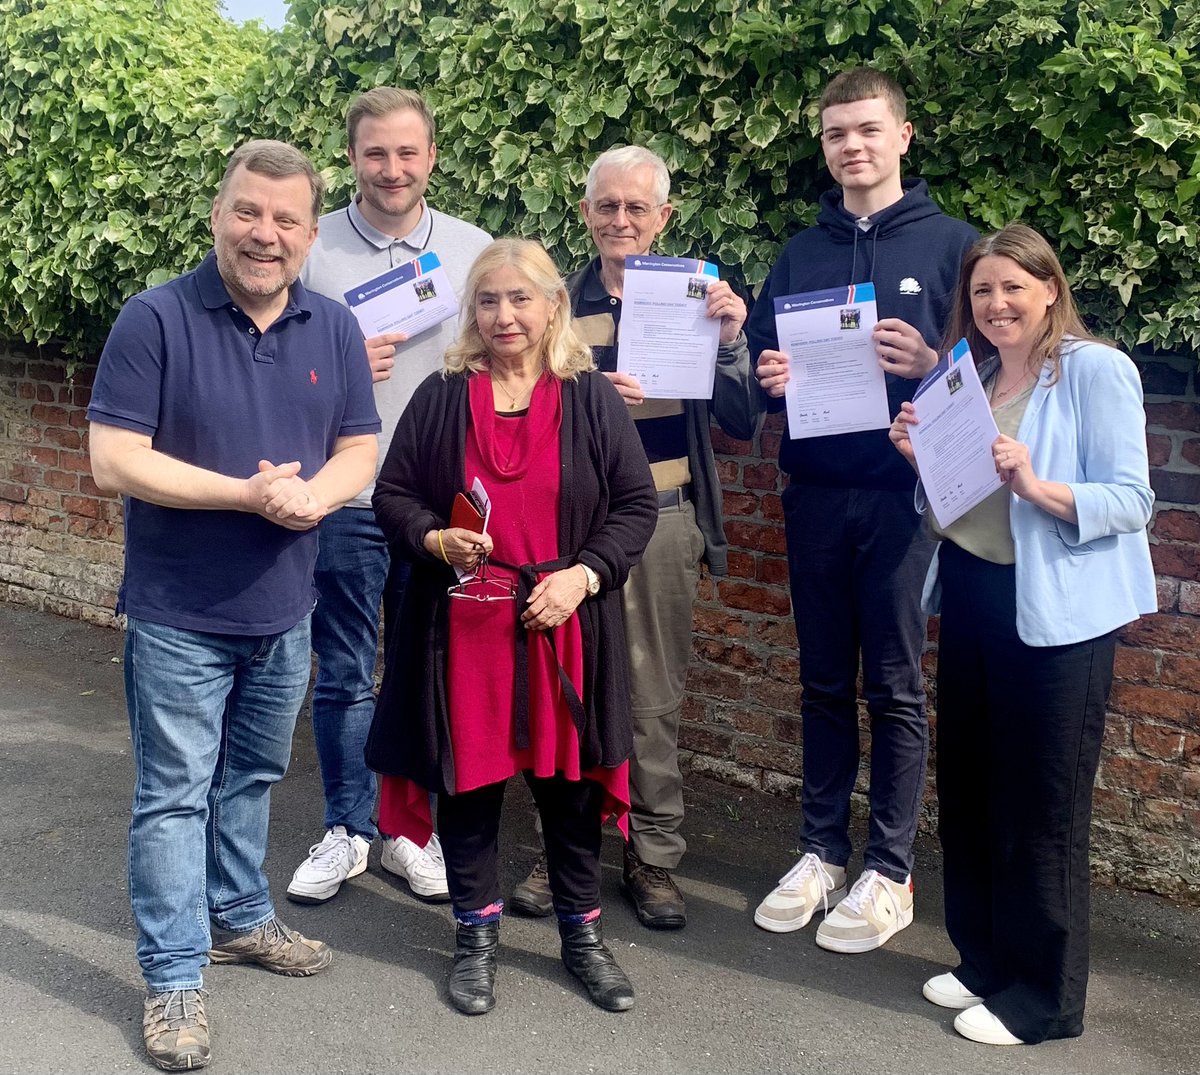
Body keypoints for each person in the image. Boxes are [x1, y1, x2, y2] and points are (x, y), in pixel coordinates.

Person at [86, 140, 380, 1071]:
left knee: (251, 779)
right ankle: (174, 978)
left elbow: (359, 447)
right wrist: (245, 494)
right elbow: (114, 458)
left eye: (287, 219)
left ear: (308, 232)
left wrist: (315, 496)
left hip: (285, 609)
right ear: (218, 214)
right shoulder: (156, 317)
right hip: (179, 612)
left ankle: (242, 917)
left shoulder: (332, 327)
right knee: (173, 796)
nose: (267, 234)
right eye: (249, 213)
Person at [363, 238, 657, 1016]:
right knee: (471, 787)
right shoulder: (439, 396)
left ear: (553, 306)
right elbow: (392, 495)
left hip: (564, 622)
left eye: (520, 299)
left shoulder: (590, 398)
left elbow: (635, 507)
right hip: (464, 634)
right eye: (488, 300)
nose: (504, 315)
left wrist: (582, 574)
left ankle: (583, 935)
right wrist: (434, 538)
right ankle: (476, 934)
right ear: (473, 311)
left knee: (568, 792)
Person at [889, 223, 1156, 1045]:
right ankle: (984, 959)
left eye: (1013, 286)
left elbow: (1132, 500)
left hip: (1059, 612)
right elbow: (954, 504)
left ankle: (1044, 996)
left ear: (1049, 289)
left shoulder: (1096, 370)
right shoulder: (964, 380)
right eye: (981, 291)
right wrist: (917, 460)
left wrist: (1038, 486)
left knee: (1041, 805)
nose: (997, 303)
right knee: (970, 787)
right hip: (971, 591)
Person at [747, 68, 978, 952]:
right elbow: (769, 368)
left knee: (895, 684)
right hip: (813, 493)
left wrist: (929, 359)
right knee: (819, 681)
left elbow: (990, 382)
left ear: (904, 136)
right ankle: (820, 850)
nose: (854, 145)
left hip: (904, 502)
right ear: (825, 143)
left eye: (870, 129)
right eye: (838, 132)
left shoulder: (955, 247)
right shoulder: (800, 253)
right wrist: (771, 378)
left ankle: (890, 867)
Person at [511, 145, 759, 929]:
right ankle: (565, 853)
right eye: (606, 206)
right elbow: (511, 408)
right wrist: (580, 398)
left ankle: (653, 859)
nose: (621, 220)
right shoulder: (550, 302)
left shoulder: (701, 299)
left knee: (651, 698)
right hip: (566, 530)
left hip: (661, 520)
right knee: (565, 692)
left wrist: (730, 341)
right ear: (585, 212)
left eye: (636, 208)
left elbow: (744, 420)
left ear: (664, 218)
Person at [288, 87, 492, 907]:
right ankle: (347, 826)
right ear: (352, 158)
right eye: (376, 152)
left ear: (432, 156)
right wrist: (329, 370)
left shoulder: (474, 250)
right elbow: (272, 363)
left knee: (427, 669)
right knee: (342, 670)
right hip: (343, 494)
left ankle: (413, 830)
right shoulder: (311, 246)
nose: (392, 168)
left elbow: (499, 366)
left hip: (440, 506)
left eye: (408, 152)